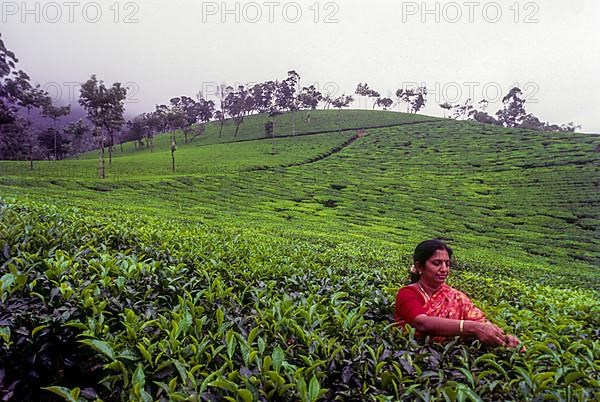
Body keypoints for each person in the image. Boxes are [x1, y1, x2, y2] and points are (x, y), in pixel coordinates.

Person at [395, 239, 521, 348]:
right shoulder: (408, 293)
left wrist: (502, 338)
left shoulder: (455, 296)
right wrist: (472, 328)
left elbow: (479, 321)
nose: (444, 269)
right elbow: (422, 323)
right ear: (420, 267)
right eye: (436, 263)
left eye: (447, 264)